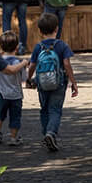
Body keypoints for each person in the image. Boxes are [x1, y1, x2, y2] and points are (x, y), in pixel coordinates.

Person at [29, 12, 77, 153]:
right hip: (59, 83)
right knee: (55, 109)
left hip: (42, 83)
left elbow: (32, 65)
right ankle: (51, 133)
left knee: (44, 109)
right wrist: (73, 82)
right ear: (57, 28)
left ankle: (46, 134)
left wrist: (29, 78)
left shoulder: (38, 47)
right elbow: (66, 64)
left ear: (39, 31)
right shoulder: (62, 45)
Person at [0, 29, 29, 146]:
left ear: (1, 46)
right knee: (15, 117)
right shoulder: (18, 62)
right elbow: (24, 78)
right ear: (17, 47)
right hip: (15, 95)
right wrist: (24, 65)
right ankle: (13, 138)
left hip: (0, 94)